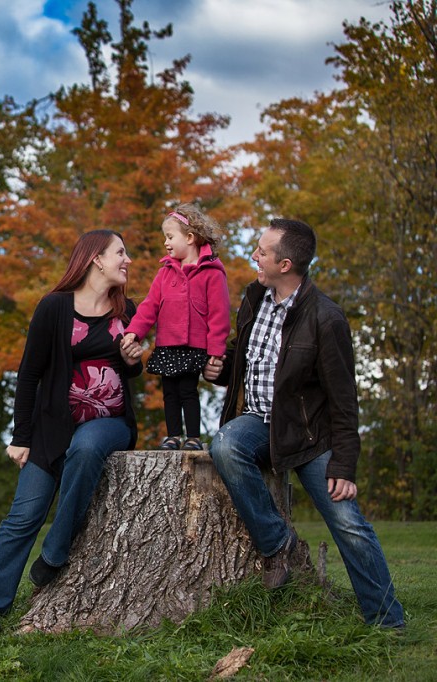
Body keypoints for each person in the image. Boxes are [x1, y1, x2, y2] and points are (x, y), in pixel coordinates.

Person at [204, 218, 404, 628]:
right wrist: (221, 370)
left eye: (261, 251)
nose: (254, 255)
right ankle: (277, 544)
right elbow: (248, 357)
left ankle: (387, 621)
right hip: (260, 422)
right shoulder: (255, 297)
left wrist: (344, 465)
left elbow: (344, 400)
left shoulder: (326, 318)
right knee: (224, 444)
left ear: (286, 264)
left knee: (348, 523)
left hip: (311, 436)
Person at [0, 229, 144, 635]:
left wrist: (133, 359)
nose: (127, 260)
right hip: (49, 430)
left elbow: (132, 371)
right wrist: (21, 436)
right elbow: (29, 376)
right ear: (96, 258)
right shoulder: (53, 308)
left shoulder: (125, 310)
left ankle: (56, 552)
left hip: (108, 425)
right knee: (23, 516)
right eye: (121, 253)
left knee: (86, 447)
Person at [120, 204, 230, 450]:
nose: (166, 243)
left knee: (188, 391)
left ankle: (193, 437)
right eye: (164, 238)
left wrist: (215, 351)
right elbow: (149, 307)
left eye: (170, 237)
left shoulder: (212, 273)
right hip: (168, 344)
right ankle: (173, 436)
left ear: (190, 238)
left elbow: (219, 315)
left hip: (194, 346)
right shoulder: (164, 273)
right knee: (169, 393)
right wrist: (134, 332)